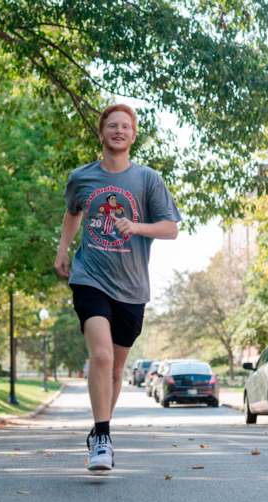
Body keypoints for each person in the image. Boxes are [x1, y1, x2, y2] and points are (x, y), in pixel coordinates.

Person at [54, 103, 180, 472]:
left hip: (132, 286)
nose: (119, 131)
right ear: (102, 133)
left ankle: (98, 432)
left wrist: (137, 227)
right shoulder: (82, 177)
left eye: (125, 126)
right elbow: (73, 211)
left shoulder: (147, 181)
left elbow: (170, 228)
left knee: (115, 369)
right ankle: (103, 437)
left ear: (133, 134)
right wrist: (63, 249)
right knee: (102, 356)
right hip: (90, 276)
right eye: (112, 126)